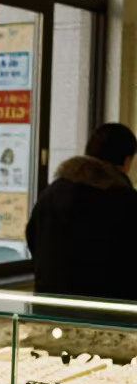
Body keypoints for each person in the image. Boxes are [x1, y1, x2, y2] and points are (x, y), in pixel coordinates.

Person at [26, 122, 137, 302]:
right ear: (127, 160)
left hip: (50, 305)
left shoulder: (51, 194)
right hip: (109, 309)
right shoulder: (126, 201)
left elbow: (33, 239)